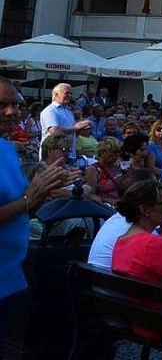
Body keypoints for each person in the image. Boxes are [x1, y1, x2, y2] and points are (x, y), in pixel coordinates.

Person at [0, 79, 69, 338]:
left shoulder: (7, 149)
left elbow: (24, 209)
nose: (11, 111)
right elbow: (23, 202)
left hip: (9, 276)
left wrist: (43, 190)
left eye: (14, 104)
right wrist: (29, 198)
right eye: (2, 105)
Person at [39, 82, 91, 158]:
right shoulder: (50, 110)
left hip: (69, 153)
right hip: (54, 155)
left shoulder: (68, 111)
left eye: (70, 93)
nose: (69, 96)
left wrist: (82, 128)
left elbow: (72, 132)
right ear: (56, 94)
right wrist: (76, 127)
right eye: (66, 93)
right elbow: (54, 131)